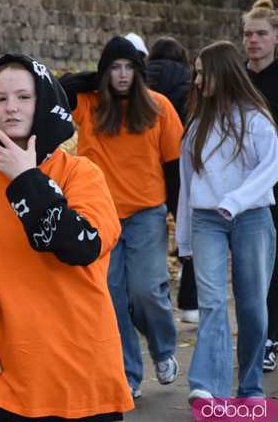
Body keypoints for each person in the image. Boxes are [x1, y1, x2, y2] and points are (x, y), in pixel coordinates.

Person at [0, 53, 133, 421]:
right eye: (0, 100)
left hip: (79, 376)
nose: (11, 109)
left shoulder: (82, 174)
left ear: (45, 102)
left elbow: (81, 245)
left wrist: (25, 179)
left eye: (23, 97)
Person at [59, 36, 183, 399]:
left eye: (129, 67)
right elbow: (55, 91)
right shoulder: (90, 103)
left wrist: (182, 226)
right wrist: (92, 78)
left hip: (146, 214)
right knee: (111, 298)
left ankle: (163, 349)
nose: (123, 74)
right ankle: (127, 372)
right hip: (100, 214)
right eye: (115, 67)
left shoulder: (159, 108)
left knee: (145, 292)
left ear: (140, 70)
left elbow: (173, 169)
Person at [176, 40, 278, 403]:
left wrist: (234, 202)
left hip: (252, 218)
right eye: (196, 73)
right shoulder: (196, 125)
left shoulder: (256, 119)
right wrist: (184, 240)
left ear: (223, 71)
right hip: (206, 221)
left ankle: (250, 389)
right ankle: (208, 388)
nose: (198, 80)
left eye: (203, 72)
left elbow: (270, 171)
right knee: (213, 303)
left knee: (252, 306)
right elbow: (188, 188)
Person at [146, 36, 199, 324]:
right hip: (181, 166)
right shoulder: (189, 82)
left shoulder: (139, 81)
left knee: (150, 236)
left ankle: (156, 297)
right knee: (189, 232)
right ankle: (190, 303)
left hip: (146, 169)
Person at [242, 0, 278, 373]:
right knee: (258, 266)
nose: (253, 40)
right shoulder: (238, 78)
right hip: (244, 186)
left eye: (261, 34)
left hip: (276, 176)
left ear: (276, 37)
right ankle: (263, 335)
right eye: (248, 34)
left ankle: (269, 336)